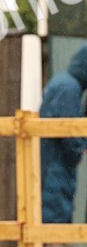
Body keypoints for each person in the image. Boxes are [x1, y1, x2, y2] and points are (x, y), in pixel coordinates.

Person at [40, 44, 87, 224]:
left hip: (52, 159)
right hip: (56, 162)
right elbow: (68, 127)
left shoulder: (64, 82)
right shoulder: (69, 87)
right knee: (55, 203)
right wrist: (79, 149)